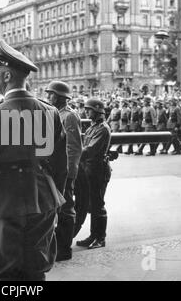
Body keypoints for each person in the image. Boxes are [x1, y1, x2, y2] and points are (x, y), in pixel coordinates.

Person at [0, 40, 65, 281]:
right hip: (42, 199)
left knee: (7, 272)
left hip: (4, 202)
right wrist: (55, 199)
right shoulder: (49, 112)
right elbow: (60, 166)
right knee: (36, 268)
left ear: (7, 75)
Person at [45, 81, 82, 261]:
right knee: (58, 208)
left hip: (65, 170)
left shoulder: (69, 116)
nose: (48, 97)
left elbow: (73, 147)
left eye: (51, 94)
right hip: (56, 169)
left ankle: (65, 249)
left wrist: (70, 171)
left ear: (60, 96)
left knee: (66, 209)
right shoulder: (54, 114)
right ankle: (58, 245)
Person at [76, 98, 111, 249]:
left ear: (97, 111)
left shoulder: (102, 128)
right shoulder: (92, 127)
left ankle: (100, 238)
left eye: (89, 109)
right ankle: (93, 235)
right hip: (89, 169)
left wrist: (73, 155)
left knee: (97, 204)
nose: (86, 112)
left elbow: (89, 150)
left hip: (97, 169)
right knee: (91, 203)